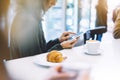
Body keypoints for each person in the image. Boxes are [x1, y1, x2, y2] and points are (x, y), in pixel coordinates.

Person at [10, 0, 79, 59]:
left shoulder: (32, 17)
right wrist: (61, 46)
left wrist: (58, 41)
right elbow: (35, 58)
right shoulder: (26, 20)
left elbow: (40, 50)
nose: (54, 3)